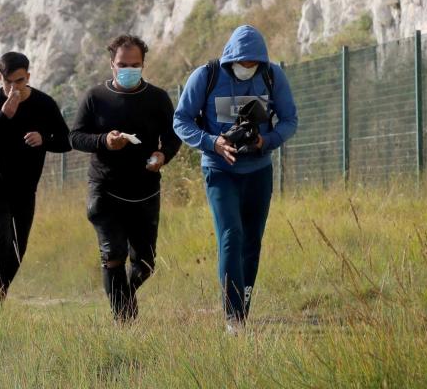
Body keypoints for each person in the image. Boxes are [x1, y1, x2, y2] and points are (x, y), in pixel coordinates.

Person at [173, 25, 298, 332]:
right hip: (219, 170)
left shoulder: (273, 76)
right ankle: (233, 318)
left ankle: (242, 310)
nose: (247, 67)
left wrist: (265, 141)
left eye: (253, 63)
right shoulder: (206, 76)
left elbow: (290, 119)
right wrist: (212, 142)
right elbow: (181, 120)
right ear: (231, 58)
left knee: (252, 241)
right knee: (231, 236)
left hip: (258, 170)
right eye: (243, 62)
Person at [69, 34, 181, 322]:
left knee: (145, 265)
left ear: (143, 65)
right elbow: (76, 137)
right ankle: (124, 323)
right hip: (105, 189)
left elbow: (172, 137)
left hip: (145, 191)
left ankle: (125, 298)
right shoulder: (95, 97)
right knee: (113, 255)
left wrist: (162, 156)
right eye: (122, 64)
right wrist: (105, 140)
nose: (128, 69)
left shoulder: (157, 98)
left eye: (135, 64)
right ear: (112, 64)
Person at [0, 51, 71, 300]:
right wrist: (4, 116)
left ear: (28, 76)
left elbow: (66, 141)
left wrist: (44, 139)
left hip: (25, 187)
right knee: (0, 235)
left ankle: (1, 290)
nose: (13, 87)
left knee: (18, 247)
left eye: (19, 81)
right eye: (8, 82)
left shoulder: (45, 104)